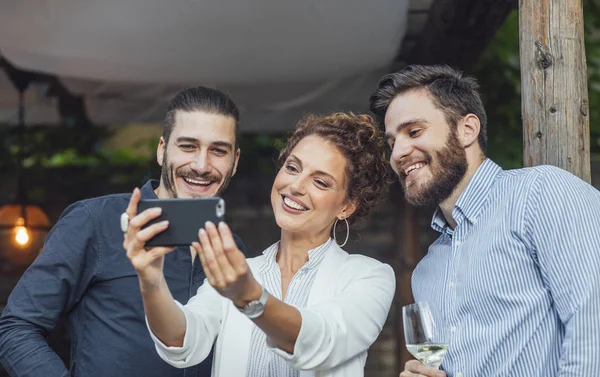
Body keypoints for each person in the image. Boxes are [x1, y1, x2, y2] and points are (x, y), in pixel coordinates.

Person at [369, 64, 600, 377]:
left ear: (467, 130)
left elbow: (592, 324)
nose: (398, 152)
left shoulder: (541, 193)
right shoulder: (426, 272)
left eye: (413, 132)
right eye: (392, 142)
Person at [123, 112, 396, 376]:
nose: (296, 186)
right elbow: (182, 341)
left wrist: (250, 297)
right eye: (292, 168)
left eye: (320, 182)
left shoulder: (369, 276)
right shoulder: (244, 272)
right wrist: (151, 280)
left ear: (347, 206)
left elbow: (320, 339)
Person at [0, 86, 247, 377]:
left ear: (234, 162)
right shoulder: (95, 221)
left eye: (218, 151)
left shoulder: (234, 249)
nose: (202, 165)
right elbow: (16, 328)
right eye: (188, 146)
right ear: (162, 150)